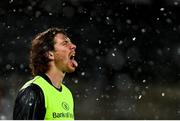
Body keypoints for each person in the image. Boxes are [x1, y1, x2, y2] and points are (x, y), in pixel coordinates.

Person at [13, 27, 78, 120]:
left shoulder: (67, 94)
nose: (73, 46)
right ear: (50, 54)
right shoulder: (32, 91)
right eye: (65, 43)